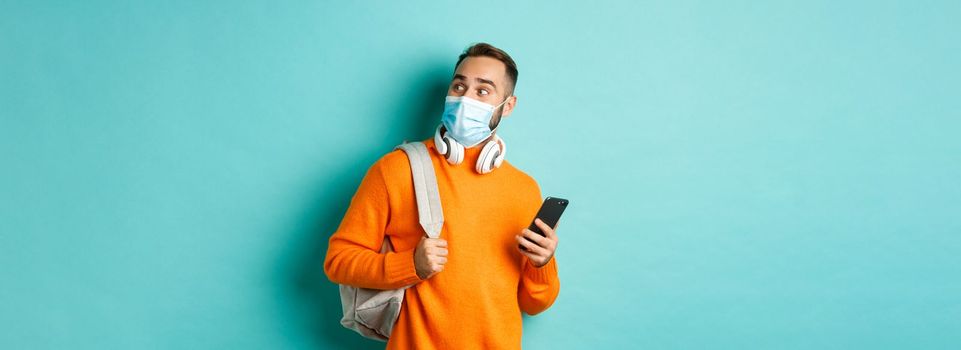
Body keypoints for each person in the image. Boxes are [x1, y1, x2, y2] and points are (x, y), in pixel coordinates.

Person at [324, 42, 560, 349]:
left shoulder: (525, 189)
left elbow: (535, 304)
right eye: (459, 86)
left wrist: (543, 263)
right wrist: (410, 265)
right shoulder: (397, 169)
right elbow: (338, 261)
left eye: (482, 91)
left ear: (508, 105)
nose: (465, 98)